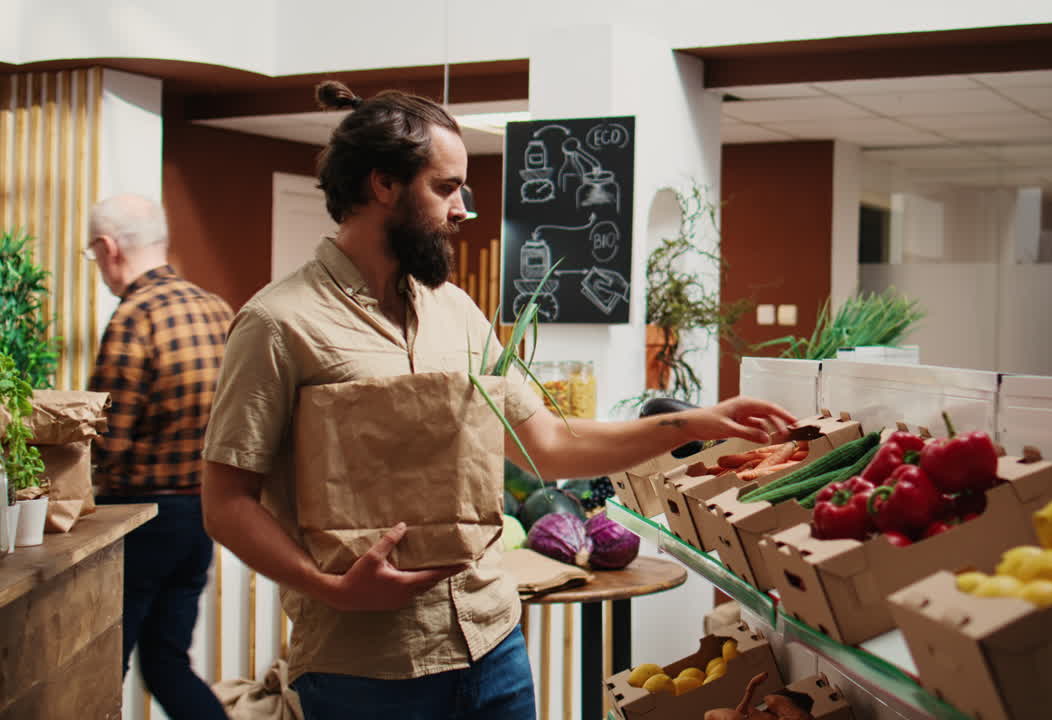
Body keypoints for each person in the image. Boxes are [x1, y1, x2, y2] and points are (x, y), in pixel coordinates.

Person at [200, 80, 796, 720]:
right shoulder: (278, 323)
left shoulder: (456, 312)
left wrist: (692, 421)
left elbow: (549, 443)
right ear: (383, 185)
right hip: (366, 669)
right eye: (446, 187)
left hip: (494, 647)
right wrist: (332, 590)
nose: (463, 210)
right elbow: (226, 502)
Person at [87, 193, 233, 720]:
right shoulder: (216, 308)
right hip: (206, 514)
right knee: (167, 661)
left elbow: (105, 439)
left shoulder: (133, 318)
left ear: (108, 249)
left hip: (141, 520)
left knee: (100, 669)